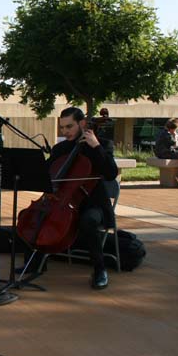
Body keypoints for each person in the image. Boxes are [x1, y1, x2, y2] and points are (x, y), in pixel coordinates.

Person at [47, 107, 118, 290]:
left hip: (94, 205)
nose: (65, 132)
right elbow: (46, 175)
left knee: (88, 220)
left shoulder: (102, 144)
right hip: (64, 203)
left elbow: (110, 173)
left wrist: (96, 146)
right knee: (44, 215)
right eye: (62, 128)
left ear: (83, 124)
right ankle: (35, 262)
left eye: (69, 126)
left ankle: (100, 269)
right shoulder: (60, 149)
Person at [154, 118, 178, 188]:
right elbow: (175, 145)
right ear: (173, 129)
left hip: (160, 153)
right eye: (176, 129)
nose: (176, 131)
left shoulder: (161, 132)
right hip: (166, 153)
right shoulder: (168, 135)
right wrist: (175, 136)